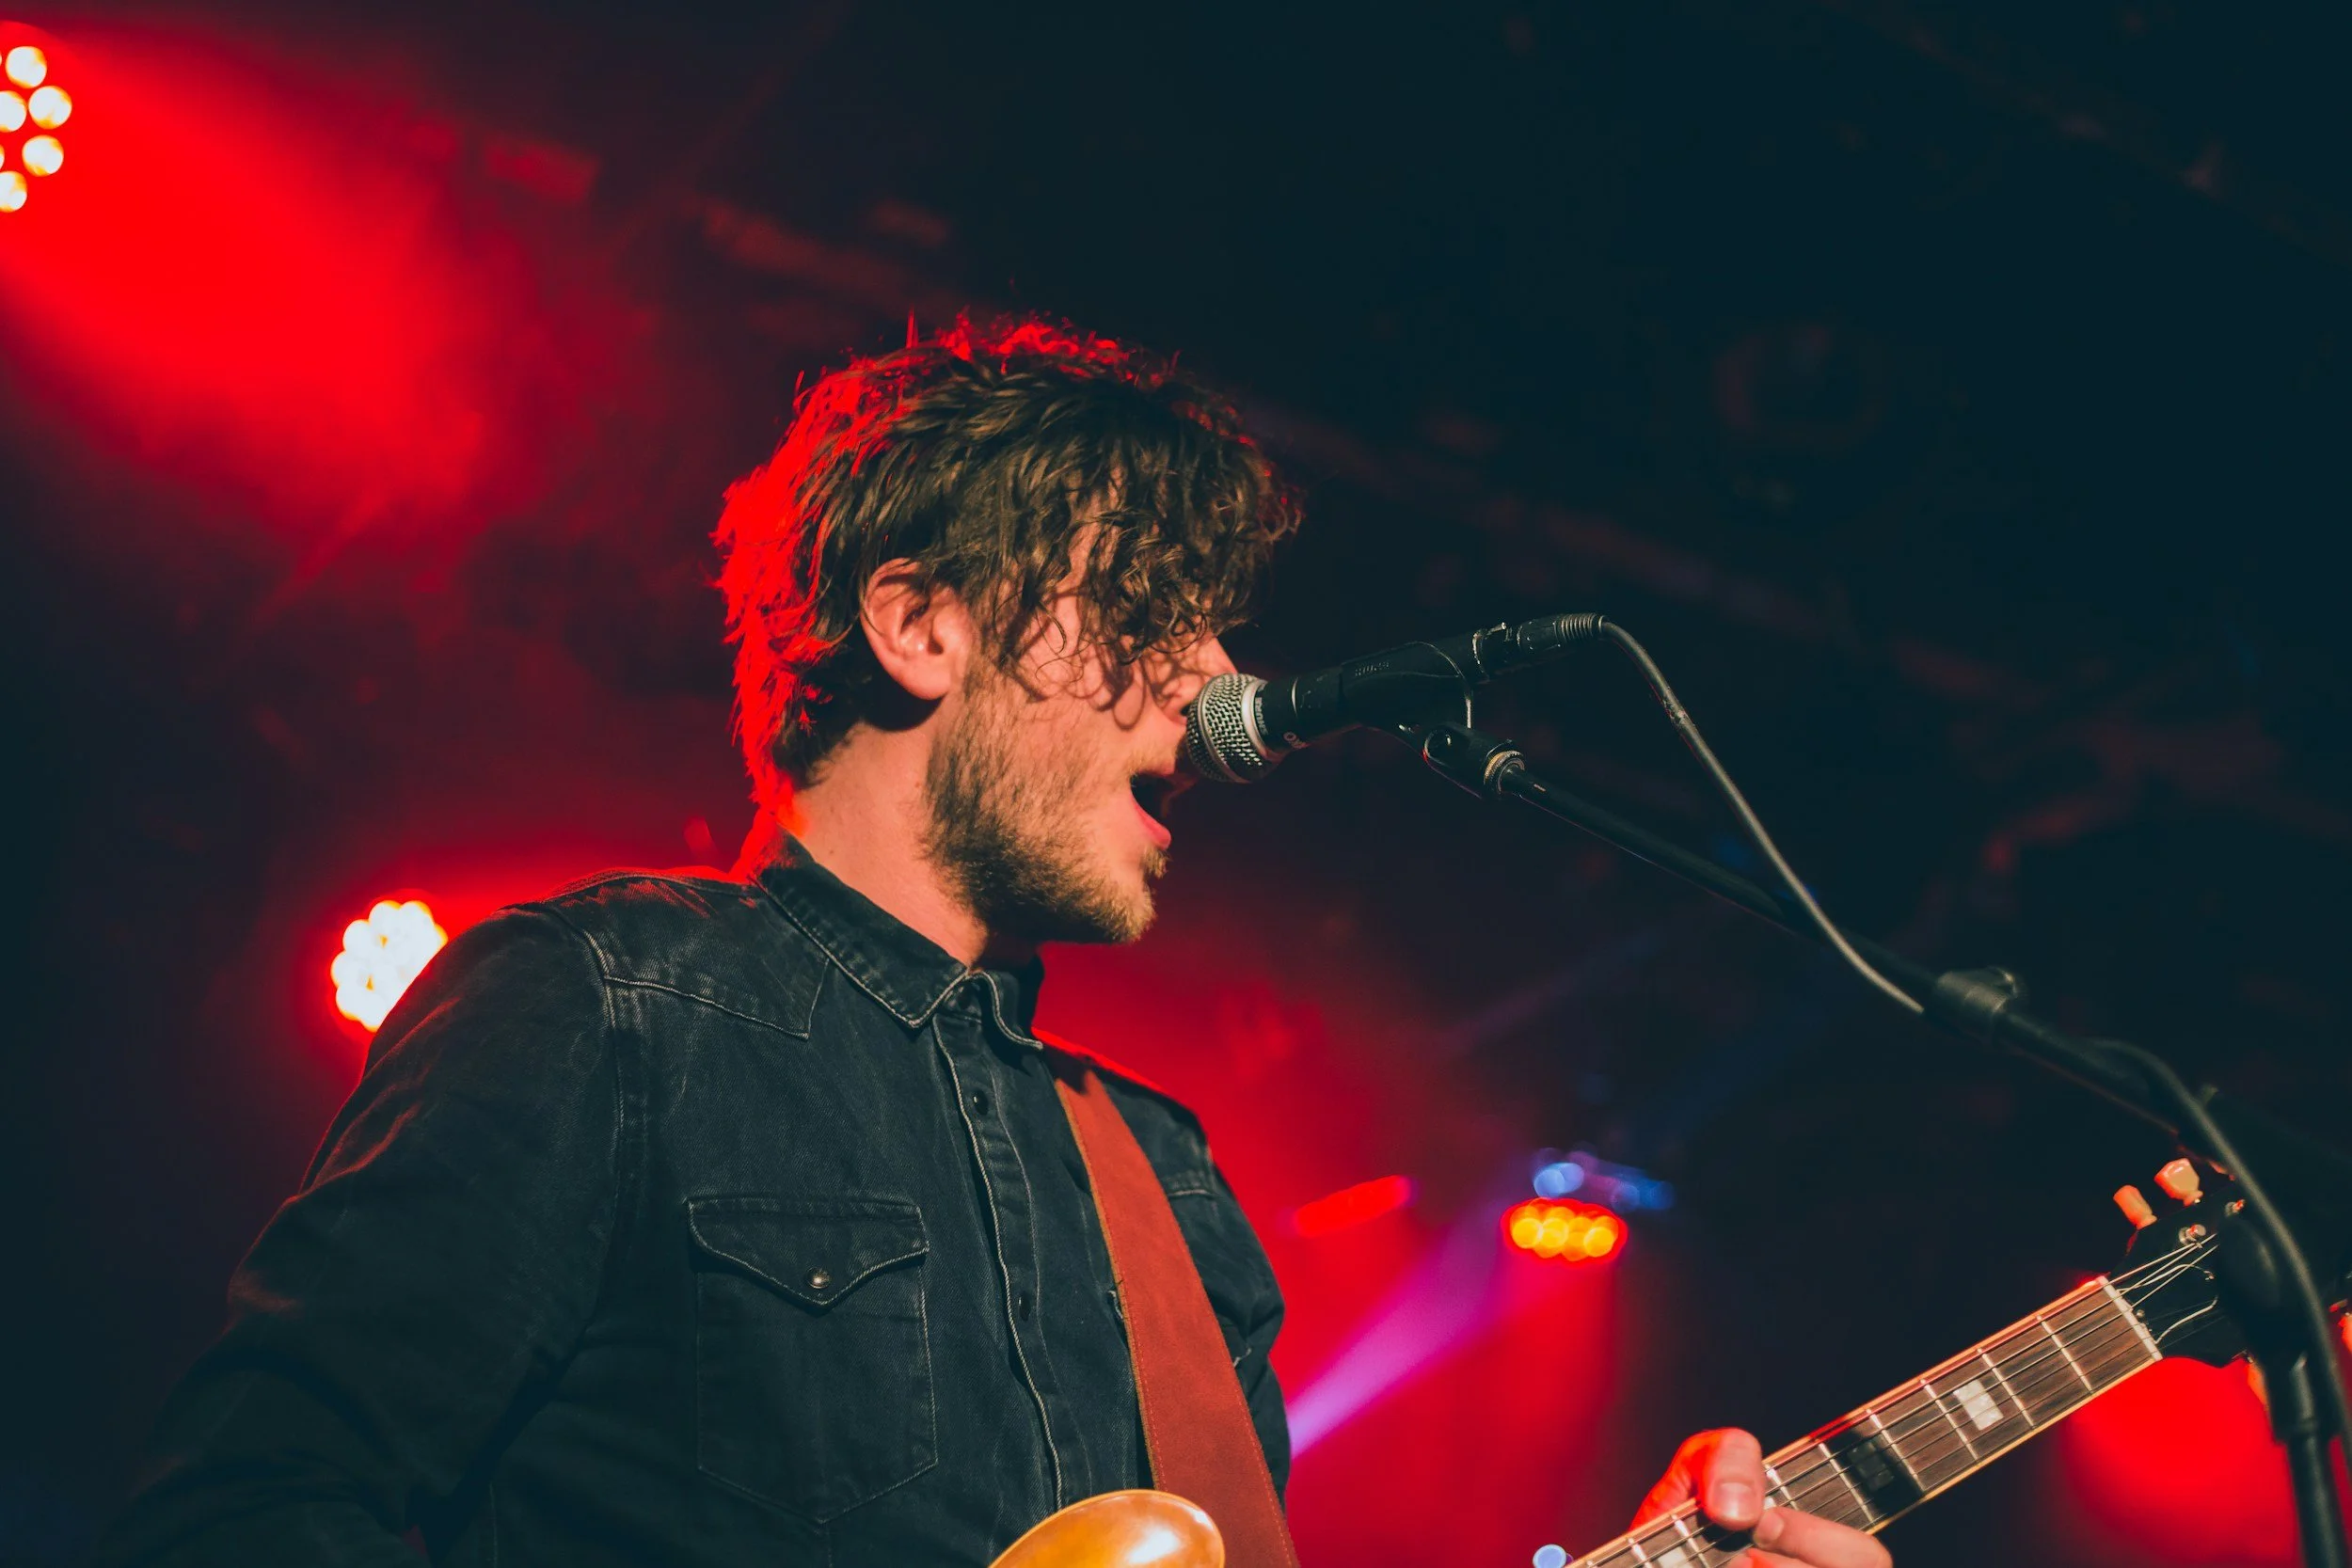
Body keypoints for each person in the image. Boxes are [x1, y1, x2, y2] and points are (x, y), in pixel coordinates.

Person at [103, 318, 1890, 1568]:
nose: (1205, 682)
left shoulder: (1166, 1179)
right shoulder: (605, 1002)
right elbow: (244, 1506)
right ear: (920, 626)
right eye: (1141, 617)